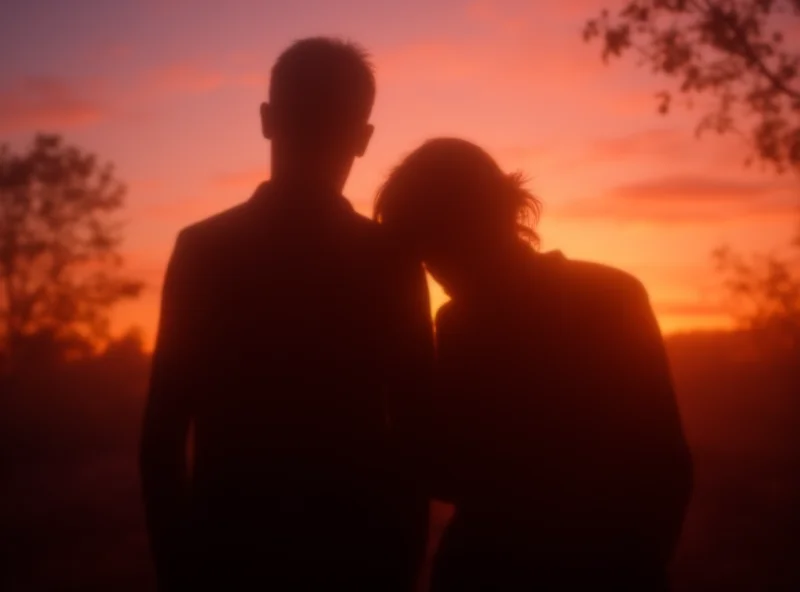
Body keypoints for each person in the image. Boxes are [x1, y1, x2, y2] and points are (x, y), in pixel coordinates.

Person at [140, 38, 434, 591]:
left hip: (229, 556)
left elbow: (161, 435)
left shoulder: (205, 249)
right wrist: (399, 564)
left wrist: (177, 569)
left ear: (267, 121)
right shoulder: (389, 259)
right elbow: (416, 434)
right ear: (363, 138)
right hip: (355, 557)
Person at [374, 138, 694, 591]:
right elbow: (666, 463)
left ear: (485, 221)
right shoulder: (609, 292)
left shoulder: (604, 298)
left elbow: (662, 461)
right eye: (425, 254)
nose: (435, 269)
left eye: (437, 245)